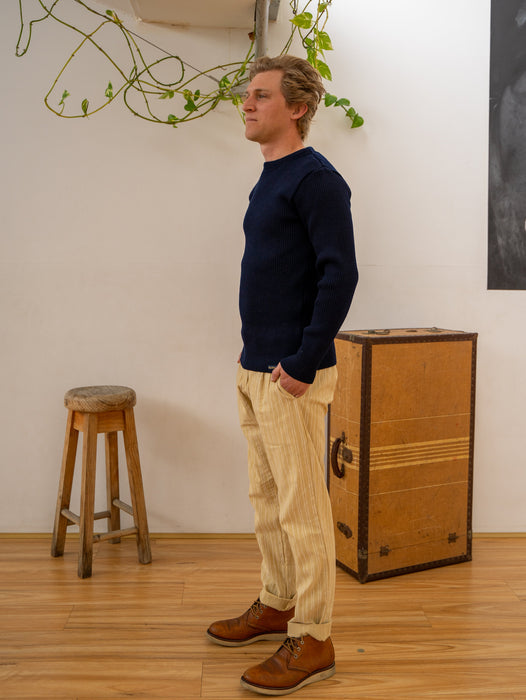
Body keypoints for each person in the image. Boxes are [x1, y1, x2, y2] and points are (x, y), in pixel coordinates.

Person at [206, 55, 359, 696]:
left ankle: (314, 636)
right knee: (266, 498)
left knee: (302, 508)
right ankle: (278, 601)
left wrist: (301, 360)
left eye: (261, 96)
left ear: (297, 108)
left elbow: (339, 275)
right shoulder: (272, 176)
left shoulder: (317, 180)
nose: (246, 104)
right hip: (256, 367)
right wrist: (257, 362)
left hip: (290, 373)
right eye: (248, 95)